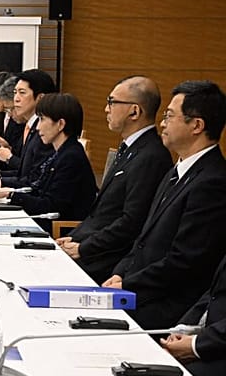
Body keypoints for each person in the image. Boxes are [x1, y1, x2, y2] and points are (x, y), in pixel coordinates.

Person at [103, 80, 226, 330]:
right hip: (139, 288)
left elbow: (184, 261)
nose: (162, 123)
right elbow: (143, 239)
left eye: (170, 116)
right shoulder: (176, 171)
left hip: (166, 305)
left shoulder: (212, 182)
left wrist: (128, 285)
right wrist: (121, 272)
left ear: (197, 125)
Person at [56, 76, 172, 284]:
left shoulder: (151, 156)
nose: (106, 109)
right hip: (91, 246)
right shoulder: (130, 149)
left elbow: (131, 223)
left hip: (108, 260)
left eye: (112, 102)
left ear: (134, 111)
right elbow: (103, 212)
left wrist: (84, 247)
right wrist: (75, 238)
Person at [0, 93, 97, 231]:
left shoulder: (71, 157)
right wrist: (2, 186)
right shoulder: (61, 152)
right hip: (43, 222)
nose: (38, 127)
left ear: (60, 124)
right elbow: (34, 184)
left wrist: (11, 194)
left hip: (58, 231)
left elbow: (50, 207)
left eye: (42, 120)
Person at [0, 69, 56, 192]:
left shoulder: (44, 130)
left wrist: (0, 183)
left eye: (22, 92)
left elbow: (34, 180)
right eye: (15, 92)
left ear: (40, 98)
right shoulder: (30, 126)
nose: (16, 99)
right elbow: (24, 173)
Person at [161, 254, 226, 376]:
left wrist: (195, 345)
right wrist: (185, 328)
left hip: (218, 347)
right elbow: (214, 294)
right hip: (213, 338)